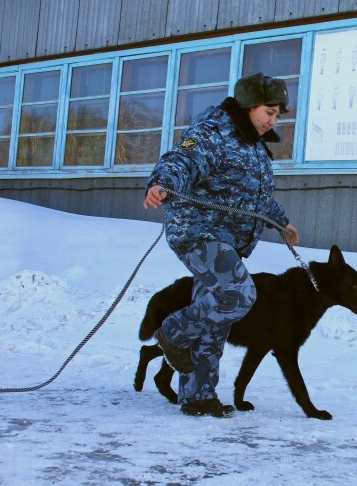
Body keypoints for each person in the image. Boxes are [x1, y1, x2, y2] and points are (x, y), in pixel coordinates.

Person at [143, 72, 299, 418]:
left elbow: (254, 194)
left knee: (214, 316)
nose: (273, 121)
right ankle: (172, 331)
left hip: (227, 239)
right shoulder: (212, 130)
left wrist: (281, 220)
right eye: (268, 112)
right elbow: (180, 159)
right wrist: (162, 184)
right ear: (248, 106)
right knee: (238, 293)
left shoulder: (254, 145)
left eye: (277, 115)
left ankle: (198, 395)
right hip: (198, 232)